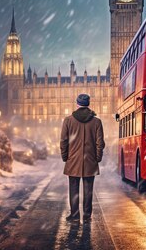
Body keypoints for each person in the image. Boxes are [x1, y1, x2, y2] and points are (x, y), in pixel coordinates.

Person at [60, 93, 105, 222]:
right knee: (88, 190)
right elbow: (100, 142)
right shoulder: (96, 122)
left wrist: (65, 157)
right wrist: (97, 158)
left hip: (72, 160)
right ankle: (86, 216)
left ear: (77, 104)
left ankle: (74, 215)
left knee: (73, 189)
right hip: (90, 160)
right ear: (88, 104)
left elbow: (63, 141)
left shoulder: (68, 120)